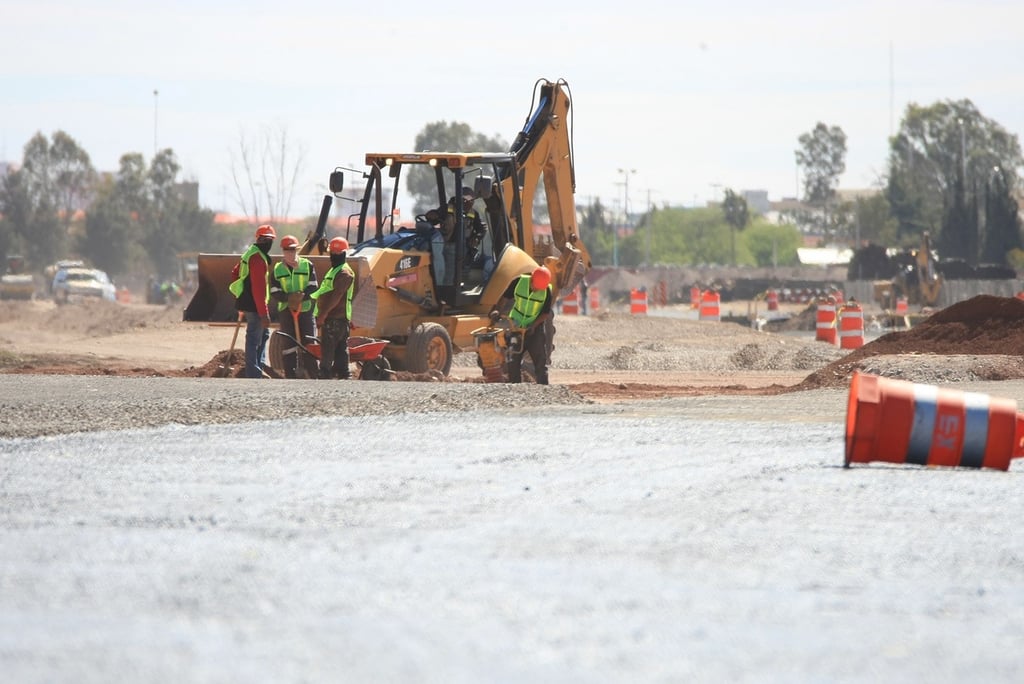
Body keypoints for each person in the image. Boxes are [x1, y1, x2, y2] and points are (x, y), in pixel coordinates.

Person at [489, 266, 554, 385]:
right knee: (513, 361)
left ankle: (544, 389)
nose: (536, 290)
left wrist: (533, 326)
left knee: (540, 362)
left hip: (534, 329)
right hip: (516, 326)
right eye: (535, 287)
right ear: (531, 279)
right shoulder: (519, 282)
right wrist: (497, 311)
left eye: (539, 288)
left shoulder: (547, 291)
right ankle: (515, 389)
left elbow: (545, 313)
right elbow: (504, 298)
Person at [270, 234, 320, 379]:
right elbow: (274, 290)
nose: (290, 253)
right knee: (288, 344)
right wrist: (288, 298)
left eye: (292, 250)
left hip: (304, 309)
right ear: (283, 251)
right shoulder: (277, 270)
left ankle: (312, 374)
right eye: (287, 250)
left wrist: (301, 296)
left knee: (309, 342)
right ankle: (291, 374)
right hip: (286, 311)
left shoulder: (307, 265)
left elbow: (313, 286)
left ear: (297, 250)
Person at [229, 224, 275, 378]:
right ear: (259, 239)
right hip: (255, 306)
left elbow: (235, 274)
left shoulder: (250, 254)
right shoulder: (257, 259)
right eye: (265, 240)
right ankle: (254, 373)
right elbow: (258, 288)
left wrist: (240, 296)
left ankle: (258, 369)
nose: (267, 243)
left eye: (269, 240)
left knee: (263, 336)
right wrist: (264, 313)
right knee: (255, 339)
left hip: (249, 303)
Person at [311, 237, 356, 379]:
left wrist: (323, 314)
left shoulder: (344, 273)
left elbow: (336, 296)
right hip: (338, 317)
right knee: (340, 348)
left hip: (335, 317)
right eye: (333, 253)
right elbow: (325, 291)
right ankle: (343, 375)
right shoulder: (335, 271)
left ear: (343, 254)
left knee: (329, 348)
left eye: (337, 253)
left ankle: (325, 373)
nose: (334, 256)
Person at [441, 186, 485, 286]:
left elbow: (481, 228)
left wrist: (477, 237)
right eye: (466, 200)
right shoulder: (447, 209)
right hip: (447, 245)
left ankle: (457, 286)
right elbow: (436, 216)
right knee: (450, 273)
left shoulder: (473, 214)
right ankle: (449, 290)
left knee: (461, 270)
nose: (470, 204)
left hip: (464, 247)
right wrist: (433, 215)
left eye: (472, 201)